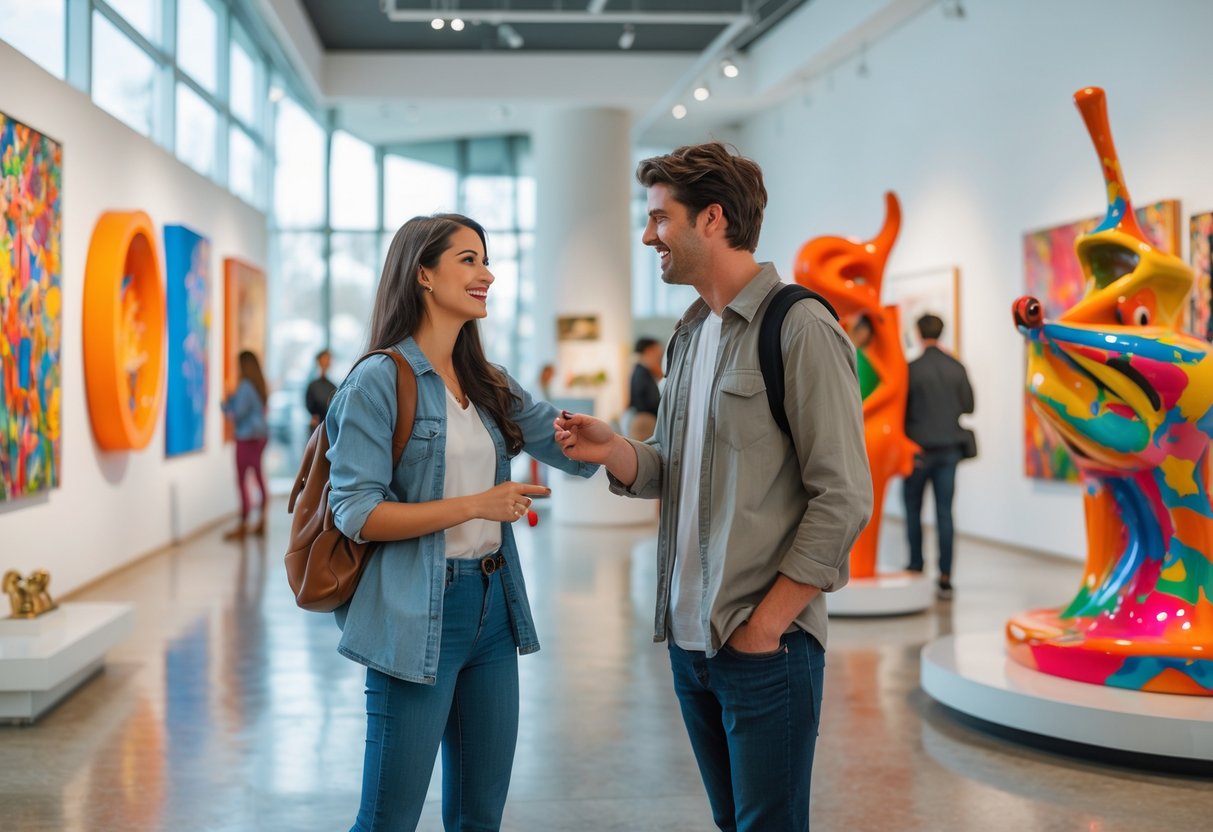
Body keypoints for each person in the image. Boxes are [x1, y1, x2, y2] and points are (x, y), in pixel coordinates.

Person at [553, 142, 872, 832]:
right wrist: (615, 451)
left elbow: (843, 495)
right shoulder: (690, 336)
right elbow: (677, 467)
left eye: (659, 218)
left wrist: (766, 624)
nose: (647, 236)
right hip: (691, 642)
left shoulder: (800, 326)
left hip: (763, 645)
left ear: (712, 219)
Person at [325, 213, 597, 832]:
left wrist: (616, 445)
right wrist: (477, 503)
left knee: (480, 817)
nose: (488, 275)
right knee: (387, 820)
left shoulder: (489, 383)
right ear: (423, 273)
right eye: (469, 260)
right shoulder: (378, 380)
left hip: (493, 608)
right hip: (417, 610)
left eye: (486, 260)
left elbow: (568, 446)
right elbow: (358, 514)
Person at [902, 313, 974, 600]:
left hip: (918, 451)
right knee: (945, 513)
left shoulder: (911, 369)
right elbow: (969, 406)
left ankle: (916, 568)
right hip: (949, 451)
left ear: (918, 333)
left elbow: (901, 411)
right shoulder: (957, 367)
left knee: (912, 510)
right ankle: (945, 577)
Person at [220, 350, 269, 540]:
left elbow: (237, 413)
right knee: (258, 477)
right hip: (260, 436)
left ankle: (243, 522)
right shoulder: (259, 385)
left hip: (247, 437)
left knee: (242, 480)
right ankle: (261, 520)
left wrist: (225, 402)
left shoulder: (246, 386)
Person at [626, 336, 664, 440]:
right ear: (649, 351)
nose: (660, 357)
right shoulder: (641, 373)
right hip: (644, 423)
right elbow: (650, 401)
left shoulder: (642, 371)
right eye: (658, 353)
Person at [304, 348, 338, 432]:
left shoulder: (332, 386)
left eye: (328, 359)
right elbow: (308, 402)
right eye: (325, 359)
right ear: (319, 361)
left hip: (328, 424)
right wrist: (314, 416)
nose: (327, 361)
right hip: (316, 425)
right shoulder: (312, 384)